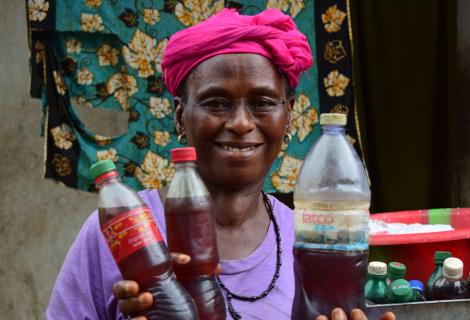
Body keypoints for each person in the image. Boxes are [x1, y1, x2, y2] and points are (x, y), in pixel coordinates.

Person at [47, 8, 395, 320]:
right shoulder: (120, 233)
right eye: (216, 103)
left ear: (288, 117)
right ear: (180, 117)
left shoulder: (312, 241)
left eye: (262, 102)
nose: (241, 123)